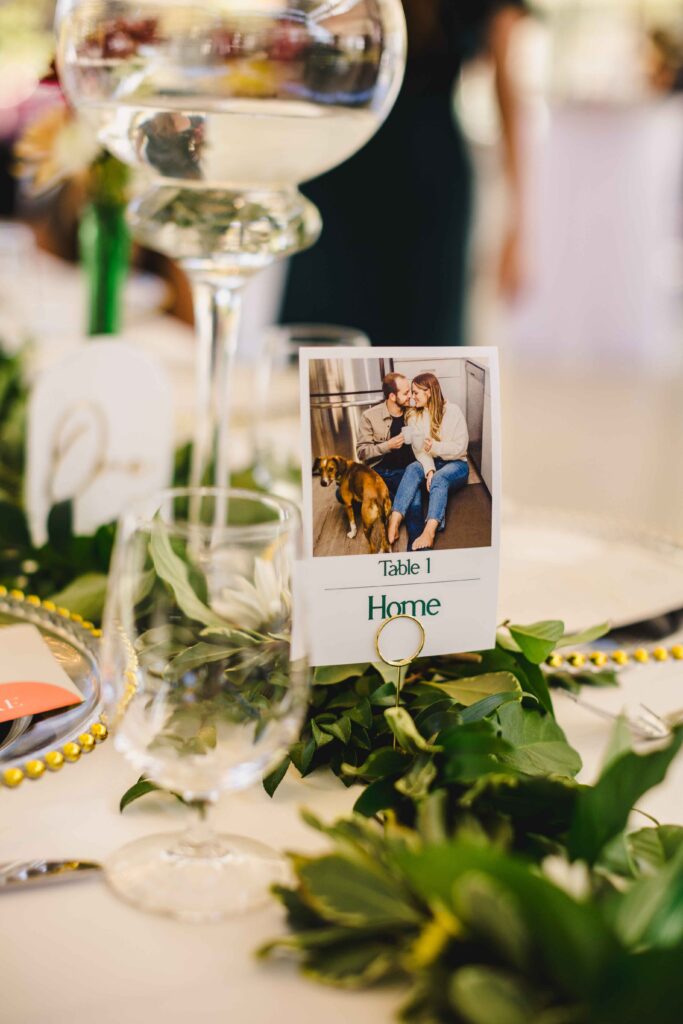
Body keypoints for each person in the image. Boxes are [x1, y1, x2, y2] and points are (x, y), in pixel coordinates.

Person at [280, 0, 528, 346]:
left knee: (423, 348)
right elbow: (287, 50)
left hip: (428, 183)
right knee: (320, 343)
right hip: (339, 168)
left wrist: (518, 224)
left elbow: (509, 90)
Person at [388, 372, 469, 550]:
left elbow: (460, 448)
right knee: (412, 468)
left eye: (416, 392)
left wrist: (435, 447)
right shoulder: (413, 415)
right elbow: (418, 450)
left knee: (440, 479)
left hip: (456, 464)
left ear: (429, 392)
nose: (412, 397)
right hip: (432, 462)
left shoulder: (453, 411)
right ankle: (395, 518)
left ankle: (429, 531)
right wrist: (430, 470)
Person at [356, 372, 424, 546]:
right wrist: (388, 445)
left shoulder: (414, 411)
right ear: (392, 396)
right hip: (378, 472)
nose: (411, 396)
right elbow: (362, 453)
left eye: (411, 392)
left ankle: (417, 549)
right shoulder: (369, 416)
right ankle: (397, 501)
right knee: (341, 494)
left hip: (406, 473)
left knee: (415, 501)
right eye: (406, 393)